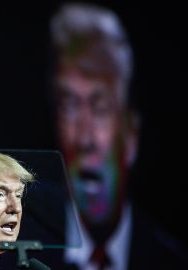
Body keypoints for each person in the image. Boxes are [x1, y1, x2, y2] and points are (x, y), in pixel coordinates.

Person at [44, 3, 187, 269]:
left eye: (100, 108)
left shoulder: (171, 263)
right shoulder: (10, 257)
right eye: (70, 106)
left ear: (131, 135)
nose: (84, 139)